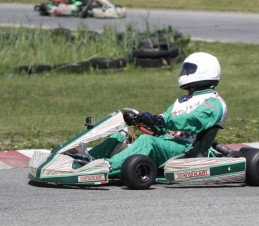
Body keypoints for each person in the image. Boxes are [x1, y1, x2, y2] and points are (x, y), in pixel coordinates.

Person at [89, 52, 227, 176]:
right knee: (121, 135)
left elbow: (192, 120)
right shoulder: (182, 100)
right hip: (166, 143)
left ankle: (107, 166)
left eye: (189, 69)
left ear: (205, 71)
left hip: (184, 148)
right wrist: (143, 120)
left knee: (147, 142)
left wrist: (160, 120)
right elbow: (163, 123)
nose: (184, 72)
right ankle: (87, 160)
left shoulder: (213, 102)